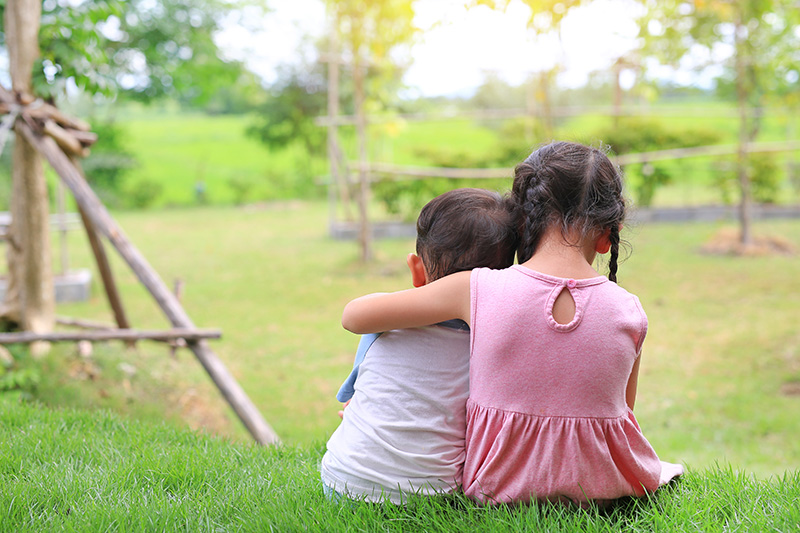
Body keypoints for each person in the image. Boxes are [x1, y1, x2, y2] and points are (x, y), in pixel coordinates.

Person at [341, 141, 683, 506]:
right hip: (603, 489)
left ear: (522, 222)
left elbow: (355, 317)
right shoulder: (629, 310)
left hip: (498, 489)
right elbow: (622, 412)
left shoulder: (477, 288)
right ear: (607, 236)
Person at [321, 188, 519, 504]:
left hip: (343, 481)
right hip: (433, 496)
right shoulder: (495, 345)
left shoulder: (385, 320)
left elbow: (352, 316)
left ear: (416, 270)